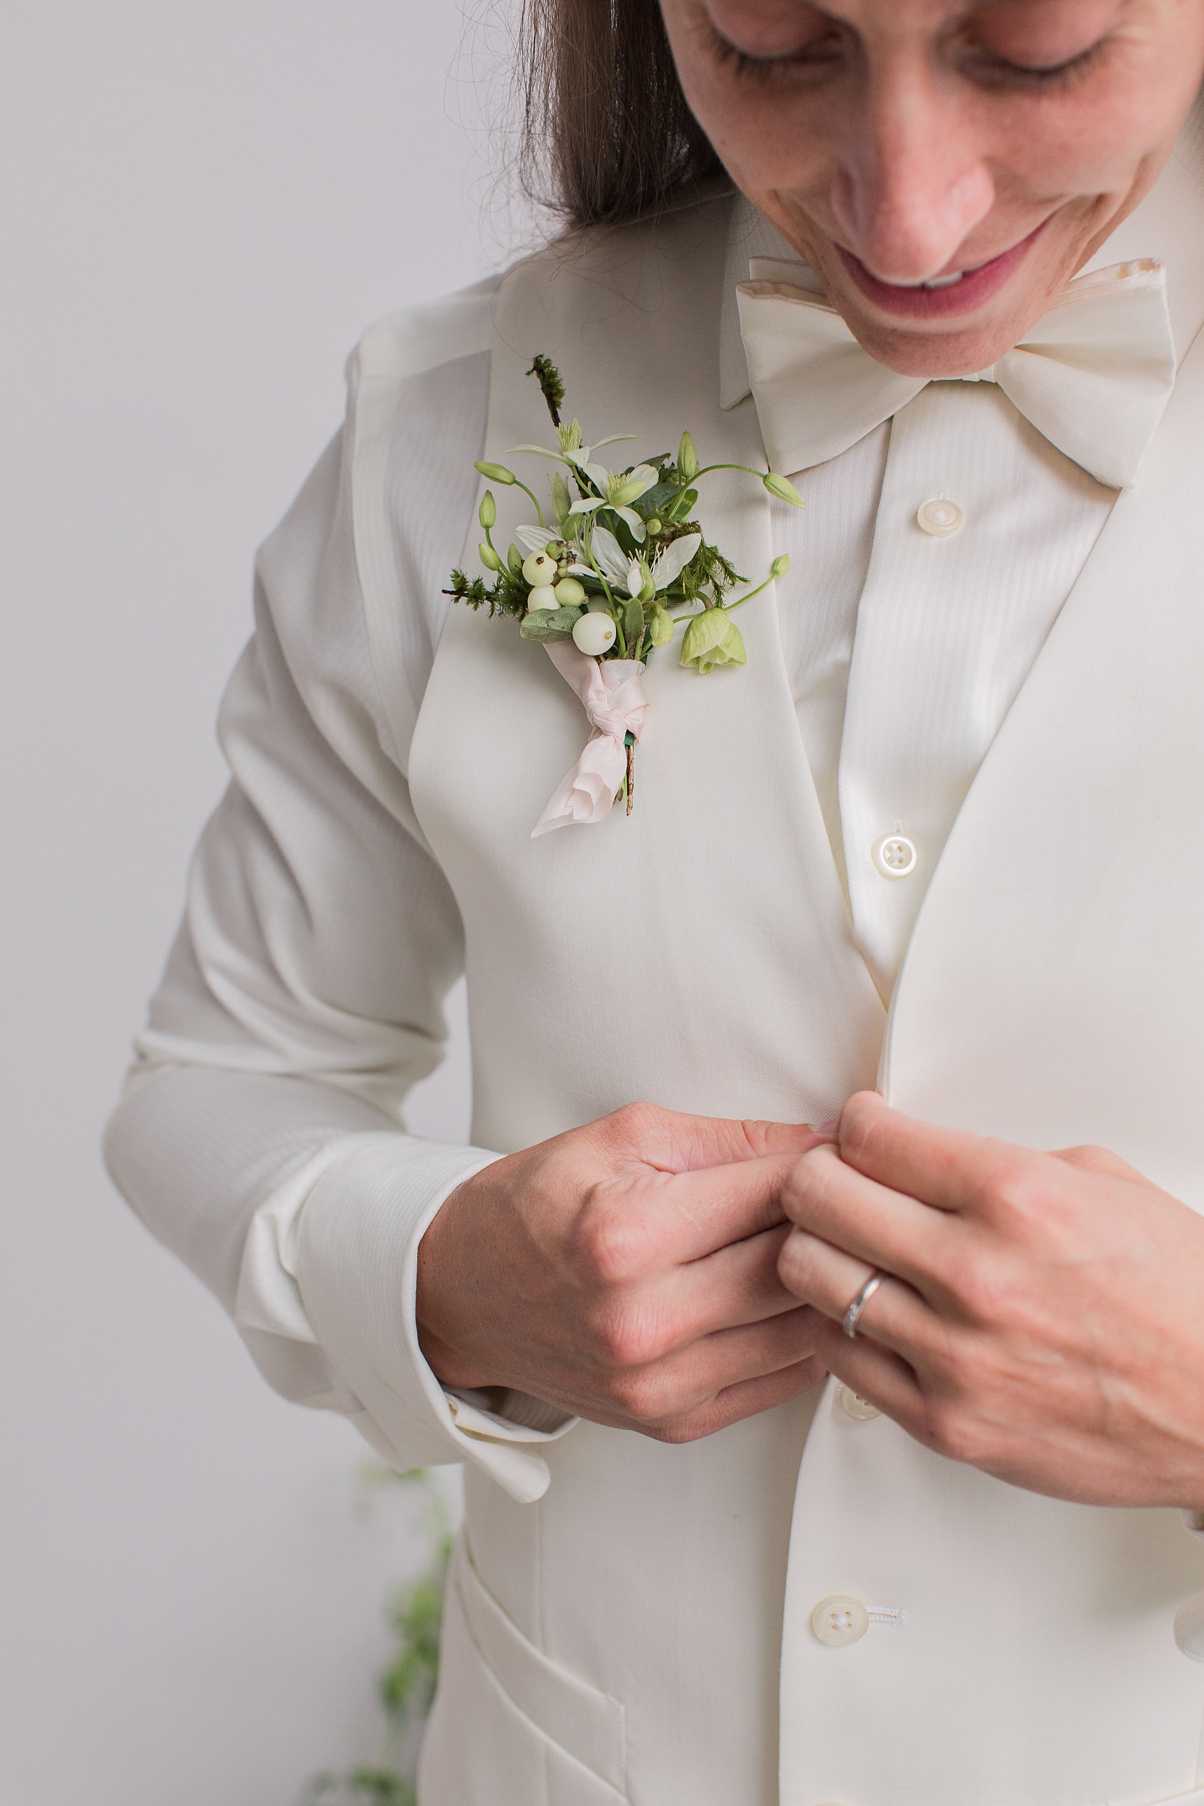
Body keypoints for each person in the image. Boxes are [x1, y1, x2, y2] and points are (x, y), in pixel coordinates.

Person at [105, 0, 1204, 1799]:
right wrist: (451, 1277)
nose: (907, 217)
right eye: (774, 46)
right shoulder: (458, 417)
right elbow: (217, 1080)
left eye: (1035, 53)